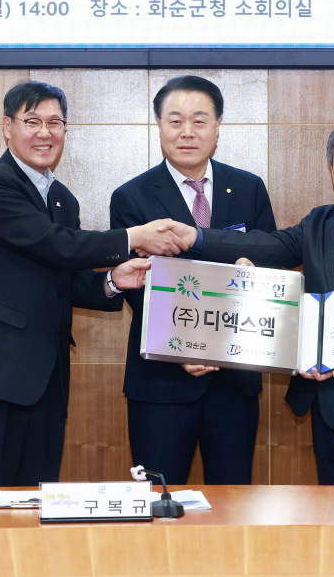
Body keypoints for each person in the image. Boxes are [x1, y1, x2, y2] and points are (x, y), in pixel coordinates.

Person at [0, 81, 189, 487]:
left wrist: (113, 280)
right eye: (32, 121)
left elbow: (66, 280)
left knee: (33, 496)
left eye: (55, 123)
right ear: (7, 126)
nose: (45, 133)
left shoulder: (62, 198)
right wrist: (134, 237)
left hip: (47, 375)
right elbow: (52, 243)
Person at [167, 120, 334, 486]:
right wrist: (197, 237)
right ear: (331, 170)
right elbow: (268, 246)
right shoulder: (319, 222)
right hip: (325, 404)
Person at [110, 75, 277, 485]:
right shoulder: (131, 197)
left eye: (199, 121)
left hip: (234, 378)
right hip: (161, 382)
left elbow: (270, 259)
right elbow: (136, 287)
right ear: (159, 126)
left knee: (234, 498)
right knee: (157, 497)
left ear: (217, 127)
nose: (187, 132)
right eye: (175, 120)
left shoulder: (249, 189)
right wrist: (180, 347)